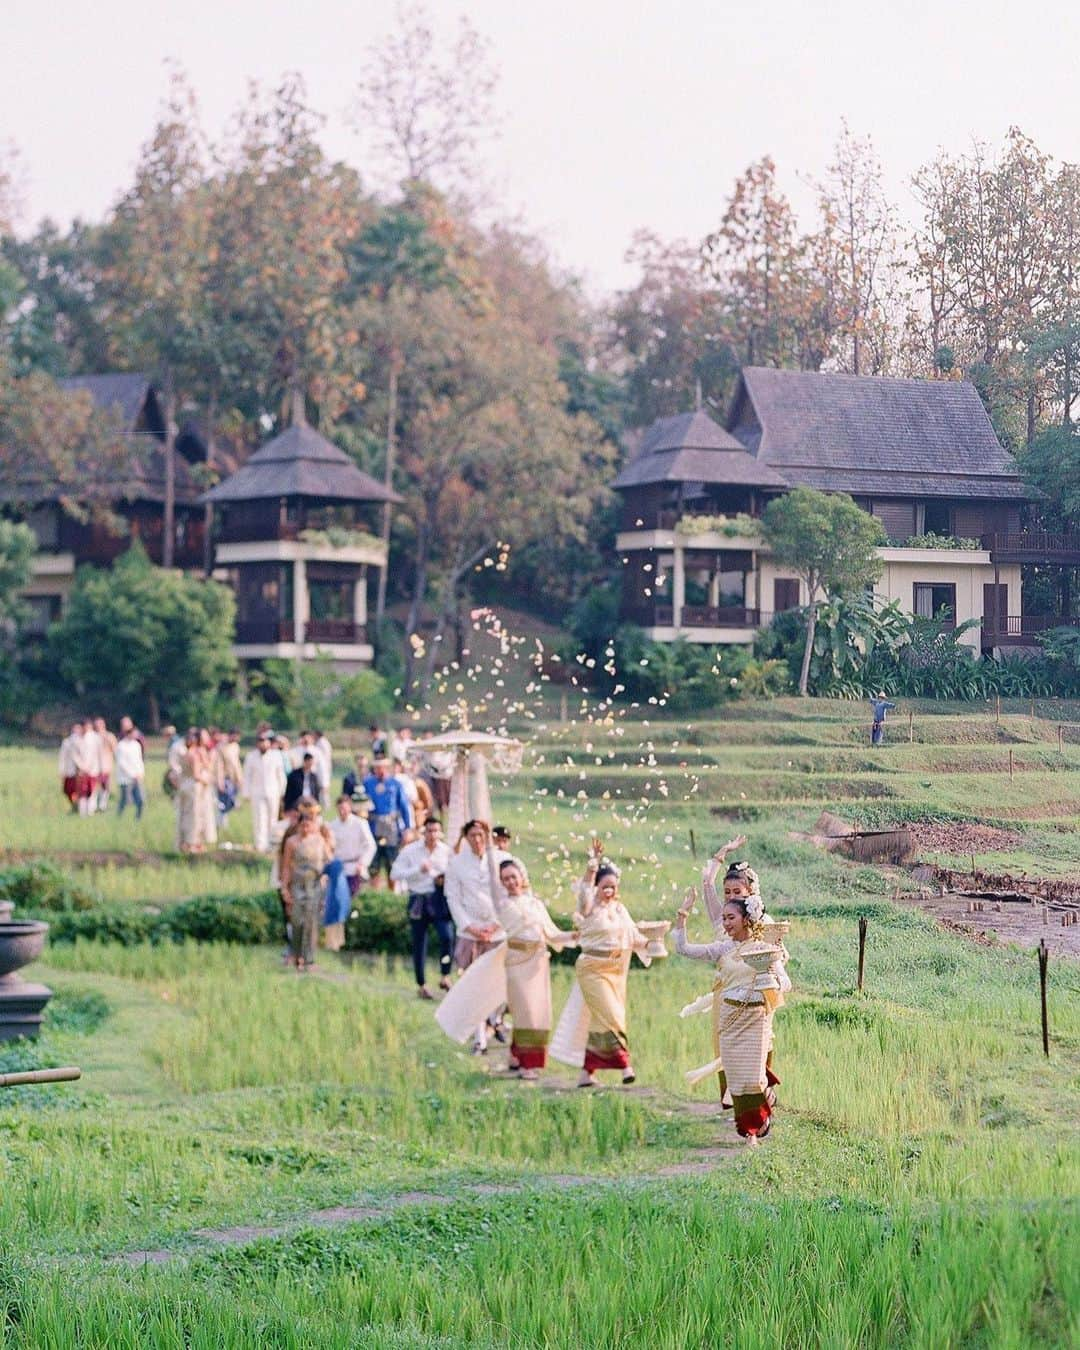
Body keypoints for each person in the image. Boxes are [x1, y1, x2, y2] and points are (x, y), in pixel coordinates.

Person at [674, 843, 790, 1142]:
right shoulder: (724, 935)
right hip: (727, 1002)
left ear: (750, 893)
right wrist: (719, 855)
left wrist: (774, 975)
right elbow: (705, 888)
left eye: (737, 893)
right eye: (727, 893)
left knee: (756, 1063)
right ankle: (742, 1110)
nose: (731, 899)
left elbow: (780, 970)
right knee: (729, 1063)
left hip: (758, 1005)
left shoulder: (764, 930)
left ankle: (761, 1100)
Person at [551, 840, 651, 1088]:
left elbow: (634, 936)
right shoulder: (588, 908)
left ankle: (587, 1074)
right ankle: (626, 1065)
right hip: (592, 969)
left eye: (613, 887)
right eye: (604, 887)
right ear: (597, 887)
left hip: (616, 971)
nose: (609, 891)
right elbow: (585, 890)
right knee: (612, 1015)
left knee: (600, 1020)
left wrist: (652, 942)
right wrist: (593, 864)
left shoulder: (619, 910)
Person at [496, 858, 577, 1079]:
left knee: (537, 1011)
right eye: (506, 879)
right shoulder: (503, 906)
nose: (511, 882)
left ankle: (515, 1055)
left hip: (538, 963)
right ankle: (526, 1064)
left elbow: (551, 934)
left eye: (514, 877)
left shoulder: (535, 904)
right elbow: (505, 931)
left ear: (522, 877)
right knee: (525, 1011)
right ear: (501, 883)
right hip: (515, 962)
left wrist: (574, 935)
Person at [444, 819, 505, 1052]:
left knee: (499, 985)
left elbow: (511, 892)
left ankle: (495, 1020)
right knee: (474, 985)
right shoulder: (457, 863)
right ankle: (479, 1038)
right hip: (470, 932)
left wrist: (496, 925)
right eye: (472, 836)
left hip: (497, 931)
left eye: (481, 835)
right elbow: (453, 896)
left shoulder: (500, 859)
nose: (477, 840)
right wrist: (470, 927)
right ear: (466, 838)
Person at [391, 817, 454, 999]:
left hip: (439, 898)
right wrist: (418, 869)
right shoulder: (411, 851)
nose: (433, 835)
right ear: (423, 832)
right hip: (418, 897)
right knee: (419, 942)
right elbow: (395, 873)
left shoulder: (446, 852)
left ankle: (445, 974)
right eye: (429, 831)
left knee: (447, 936)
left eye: (436, 831)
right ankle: (422, 984)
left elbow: (454, 874)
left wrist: (443, 879)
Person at [280, 801, 333, 970]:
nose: (305, 829)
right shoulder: (291, 842)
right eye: (302, 825)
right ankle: (296, 955)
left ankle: (309, 958)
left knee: (311, 921)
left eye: (308, 825)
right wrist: (284, 888)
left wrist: (327, 879)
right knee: (296, 920)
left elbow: (329, 861)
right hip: (297, 885)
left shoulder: (319, 841)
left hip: (314, 885)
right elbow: (286, 867)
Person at [325, 794, 377, 952]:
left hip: (355, 865)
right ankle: (336, 940)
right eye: (340, 808)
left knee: (353, 901)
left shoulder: (360, 823)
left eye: (345, 808)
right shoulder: (332, 826)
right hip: (339, 867)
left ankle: (355, 937)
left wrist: (363, 863)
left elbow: (370, 845)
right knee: (338, 902)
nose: (343, 811)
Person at [363, 757, 413, 889]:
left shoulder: (395, 784)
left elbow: (403, 807)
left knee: (392, 862)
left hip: (391, 827)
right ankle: (375, 892)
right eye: (377, 768)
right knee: (374, 862)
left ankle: (393, 892)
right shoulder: (368, 783)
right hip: (374, 826)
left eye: (383, 767)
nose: (380, 771)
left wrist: (407, 828)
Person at [242, 731, 288, 853]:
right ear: (257, 743)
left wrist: (283, 791)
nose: (262, 744)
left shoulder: (276, 755)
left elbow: (280, 775)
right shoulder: (251, 756)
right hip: (257, 791)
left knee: (272, 819)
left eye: (265, 741)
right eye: (260, 741)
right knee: (259, 818)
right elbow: (247, 776)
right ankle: (260, 844)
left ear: (269, 742)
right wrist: (246, 793)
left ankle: (271, 844)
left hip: (273, 791)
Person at [114, 724, 146, 820]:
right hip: (125, 778)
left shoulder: (136, 745)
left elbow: (139, 760)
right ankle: (118, 816)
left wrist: (141, 772)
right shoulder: (121, 746)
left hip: (137, 776)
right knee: (124, 800)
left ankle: (138, 818)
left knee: (140, 799)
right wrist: (131, 774)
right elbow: (121, 763)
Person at [214, 729, 243, 833]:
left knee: (231, 801)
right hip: (225, 779)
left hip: (234, 778)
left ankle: (221, 823)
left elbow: (237, 764)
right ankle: (219, 824)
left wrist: (239, 778)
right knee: (224, 802)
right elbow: (219, 766)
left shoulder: (235, 747)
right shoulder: (221, 747)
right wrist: (220, 781)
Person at [58, 721, 84, 813]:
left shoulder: (84, 741)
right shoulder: (67, 742)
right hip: (70, 770)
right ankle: (74, 806)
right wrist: (62, 770)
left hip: (81, 771)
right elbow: (62, 757)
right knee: (68, 790)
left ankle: (79, 808)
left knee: (80, 790)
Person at [94, 717, 117, 812]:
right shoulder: (93, 736)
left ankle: (102, 805)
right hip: (94, 766)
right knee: (95, 786)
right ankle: (95, 805)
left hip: (106, 765)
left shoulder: (109, 736)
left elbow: (115, 749)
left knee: (105, 785)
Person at [314, 730, 333, 804]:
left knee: (324, 786)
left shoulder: (321, 742)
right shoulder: (324, 742)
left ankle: (326, 803)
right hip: (324, 766)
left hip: (323, 767)